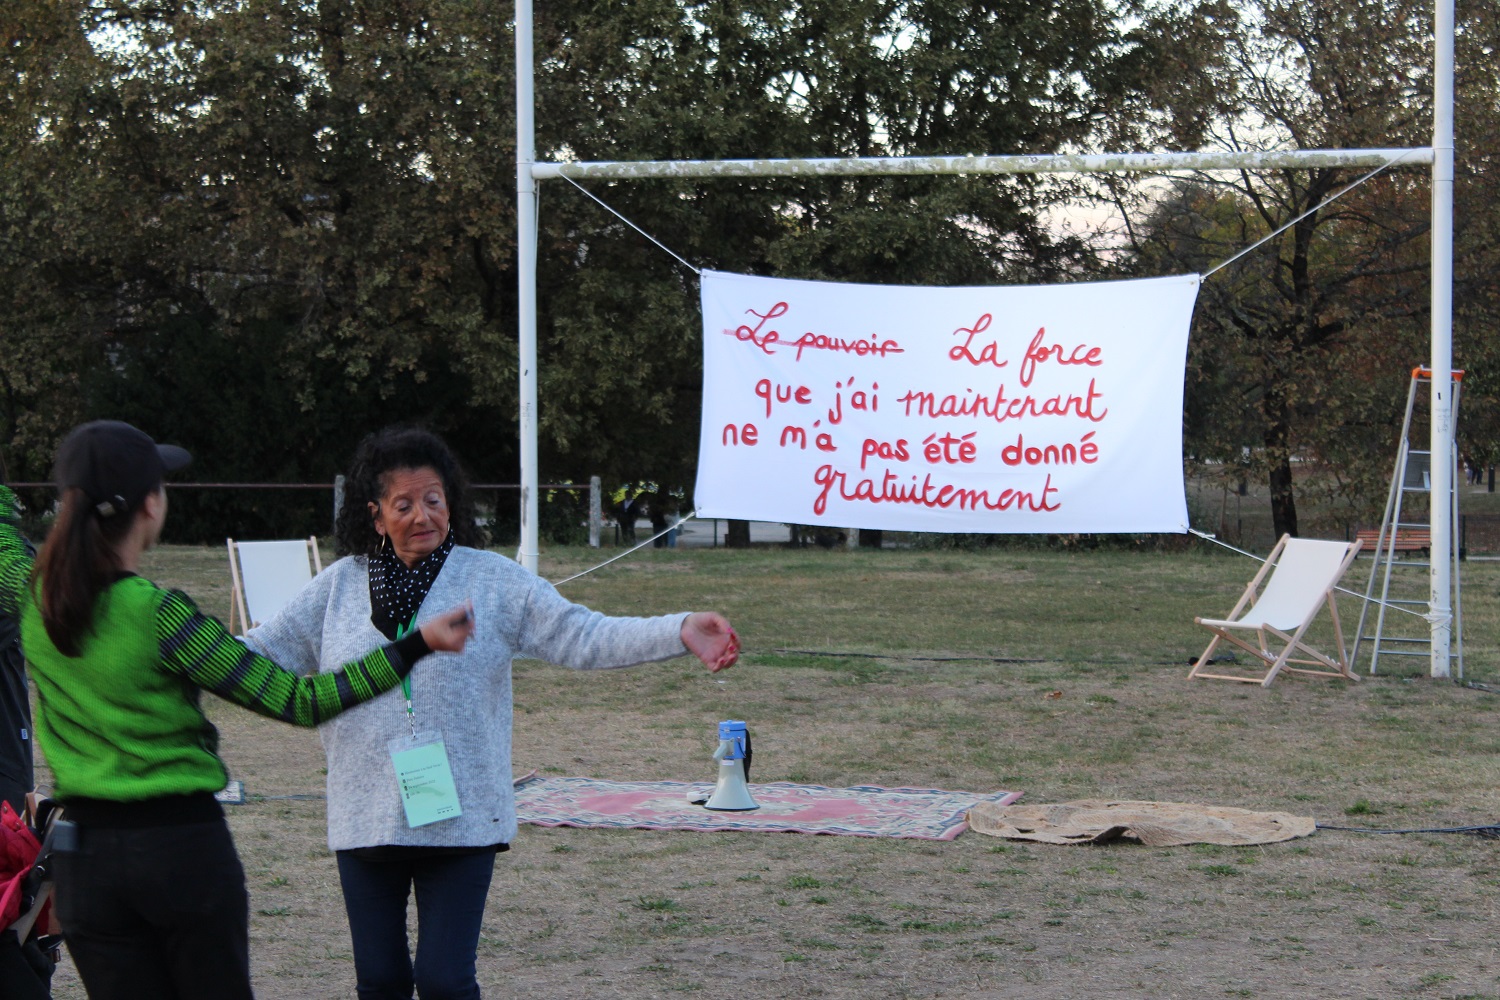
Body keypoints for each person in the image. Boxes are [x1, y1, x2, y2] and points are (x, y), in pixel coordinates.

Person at [245, 427, 740, 1000]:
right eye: (403, 505)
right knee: (378, 981)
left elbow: (582, 635)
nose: (422, 515)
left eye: (434, 499)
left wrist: (677, 630)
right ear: (376, 516)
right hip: (365, 813)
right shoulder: (338, 588)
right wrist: (178, 650)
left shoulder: (492, 580)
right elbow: (255, 653)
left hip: (461, 815)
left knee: (445, 981)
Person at [0, 420, 476, 1000]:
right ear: (150, 504)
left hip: (82, 864)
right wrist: (414, 644)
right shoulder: (158, 614)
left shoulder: (34, 603)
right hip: (179, 853)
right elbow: (300, 701)